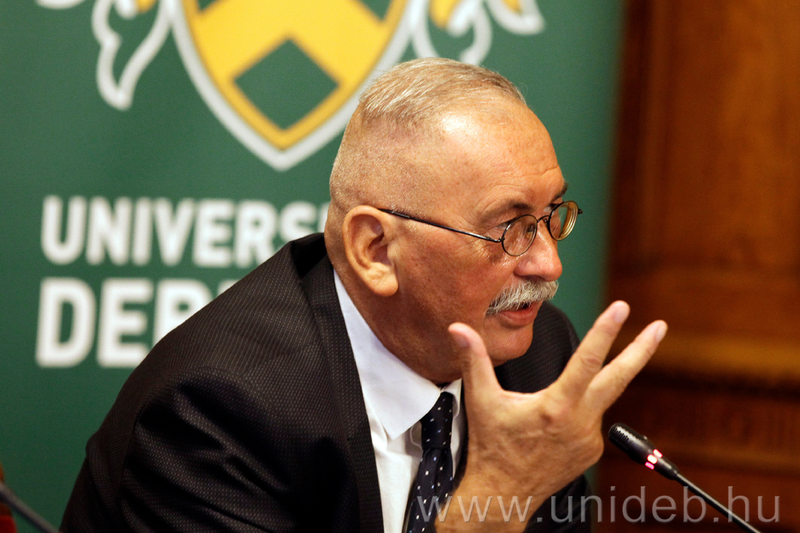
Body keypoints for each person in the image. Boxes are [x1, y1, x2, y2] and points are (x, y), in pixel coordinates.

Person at [61, 58, 666, 533]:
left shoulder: (539, 356)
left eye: (551, 215)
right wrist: (491, 507)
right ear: (375, 250)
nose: (548, 263)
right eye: (509, 228)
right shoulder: (220, 410)